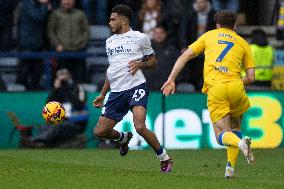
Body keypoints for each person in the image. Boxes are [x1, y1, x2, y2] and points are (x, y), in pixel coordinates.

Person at [161, 10, 255, 178]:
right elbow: (251, 77)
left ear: (217, 24)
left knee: (221, 135)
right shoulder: (242, 42)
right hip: (236, 86)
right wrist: (234, 82)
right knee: (235, 127)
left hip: (217, 88)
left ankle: (241, 143)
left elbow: (185, 56)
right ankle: (230, 169)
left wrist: (171, 79)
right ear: (234, 25)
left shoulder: (209, 36)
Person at [93, 4, 173, 173]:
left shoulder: (140, 37)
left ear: (123, 20)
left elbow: (153, 61)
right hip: (116, 91)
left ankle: (164, 158)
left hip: (136, 87)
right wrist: (102, 94)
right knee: (100, 131)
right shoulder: (110, 42)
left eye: (113, 19)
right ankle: (123, 138)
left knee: (140, 126)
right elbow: (111, 70)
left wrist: (140, 64)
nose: (109, 22)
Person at [22, 69, 89, 148]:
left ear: (69, 75)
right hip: (62, 121)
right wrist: (55, 90)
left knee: (57, 126)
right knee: (45, 126)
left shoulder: (78, 87)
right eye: (59, 75)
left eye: (64, 74)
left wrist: (67, 89)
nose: (62, 77)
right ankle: (39, 142)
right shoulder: (58, 90)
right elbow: (48, 105)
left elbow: (79, 105)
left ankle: (36, 141)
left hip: (76, 123)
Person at [47, 0, 90, 83]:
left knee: (79, 79)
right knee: (61, 79)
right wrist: (56, 45)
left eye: (70, 0)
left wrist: (82, 44)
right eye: (65, 0)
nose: (67, 2)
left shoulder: (80, 14)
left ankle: (79, 95)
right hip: (62, 51)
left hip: (78, 51)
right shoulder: (55, 14)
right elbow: (50, 31)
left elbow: (86, 31)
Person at [178, 0, 215, 91]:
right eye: (197, 2)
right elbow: (183, 30)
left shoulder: (213, 14)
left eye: (201, 2)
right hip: (193, 45)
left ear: (206, 2)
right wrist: (183, 46)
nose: (199, 4)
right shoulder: (190, 13)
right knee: (192, 69)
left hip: (207, 47)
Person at [17, 0, 50, 90]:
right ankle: (20, 92)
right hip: (27, 43)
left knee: (37, 72)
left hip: (38, 43)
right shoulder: (27, 3)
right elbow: (39, 16)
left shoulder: (36, 3)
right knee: (25, 71)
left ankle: (33, 89)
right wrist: (44, 5)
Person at [144, 25, 179, 90]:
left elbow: (178, 68)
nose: (159, 35)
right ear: (153, 35)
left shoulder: (173, 50)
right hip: (149, 86)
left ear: (165, 34)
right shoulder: (145, 50)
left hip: (168, 85)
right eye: (156, 33)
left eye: (161, 33)